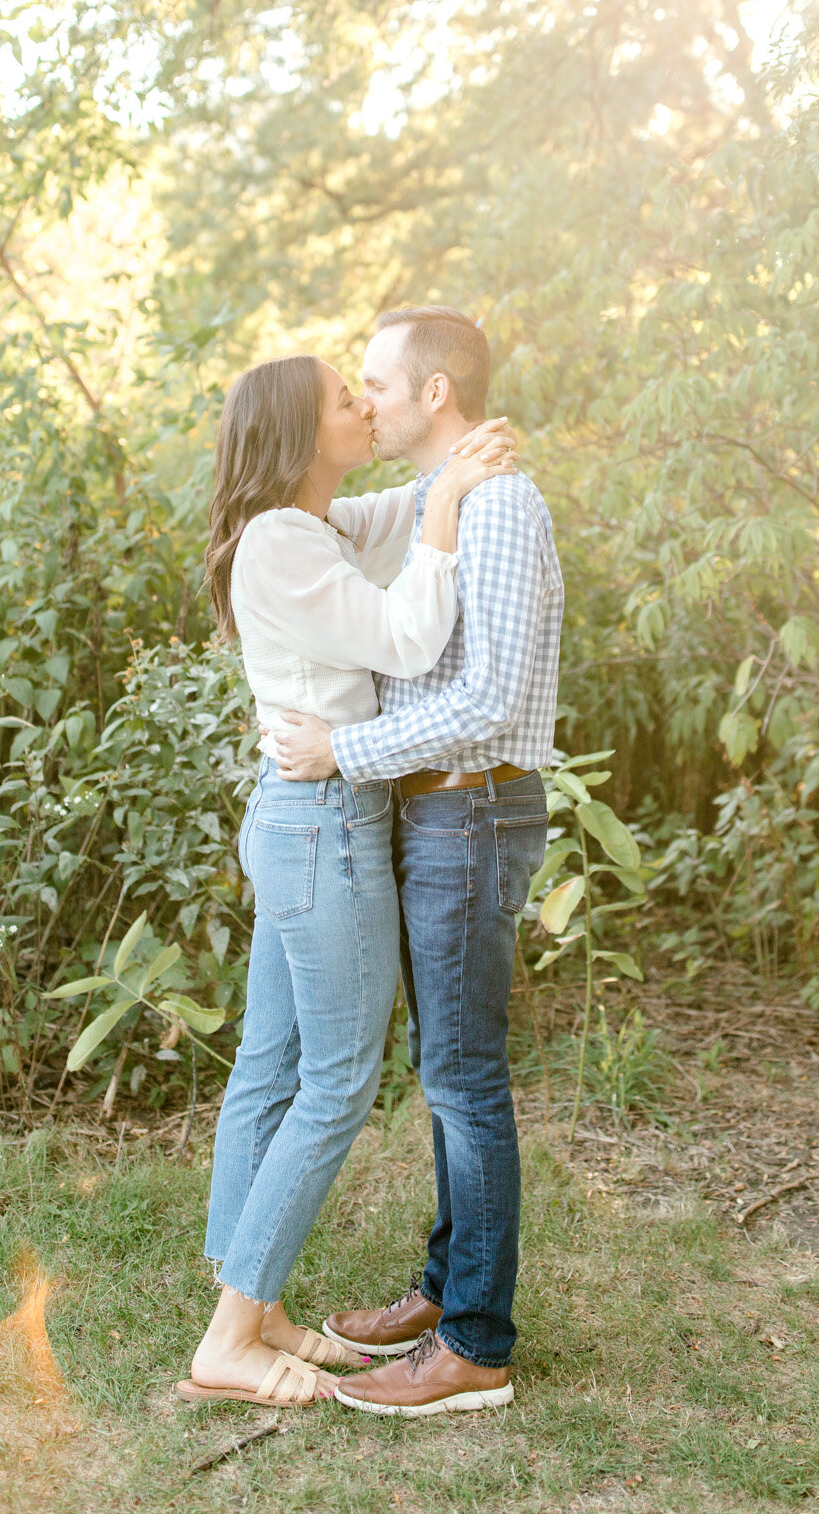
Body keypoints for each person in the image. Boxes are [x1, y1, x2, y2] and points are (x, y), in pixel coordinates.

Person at [178, 351, 516, 1408]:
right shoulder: (282, 543)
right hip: (324, 829)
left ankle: (257, 1296)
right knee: (334, 1081)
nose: (362, 405)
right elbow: (411, 635)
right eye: (342, 399)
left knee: (272, 1062)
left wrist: (446, 468)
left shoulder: (307, 525)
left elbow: (395, 510)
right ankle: (231, 1338)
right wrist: (454, 505)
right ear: (295, 433)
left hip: (302, 822)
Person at [272, 307, 563, 1418]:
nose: (369, 399)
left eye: (379, 383)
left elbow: (484, 701)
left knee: (464, 1076)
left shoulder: (499, 504)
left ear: (435, 393)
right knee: (445, 1070)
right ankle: (446, 1291)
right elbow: (315, 527)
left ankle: (475, 1344)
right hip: (437, 814)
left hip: (470, 812)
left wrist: (343, 747)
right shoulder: (444, 502)